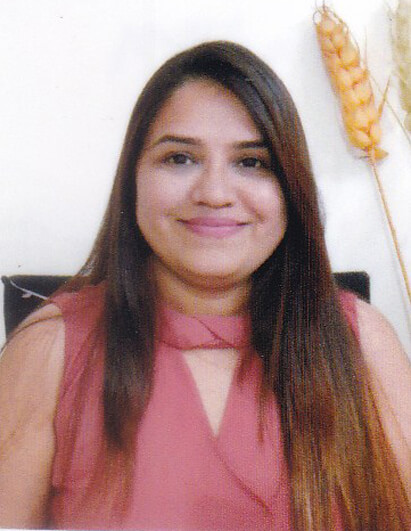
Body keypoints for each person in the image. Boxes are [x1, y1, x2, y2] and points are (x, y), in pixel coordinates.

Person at [0, 41, 410, 531]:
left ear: (291, 187)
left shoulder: (362, 342)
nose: (214, 194)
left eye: (252, 162)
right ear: (132, 180)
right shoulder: (49, 350)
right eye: (179, 158)